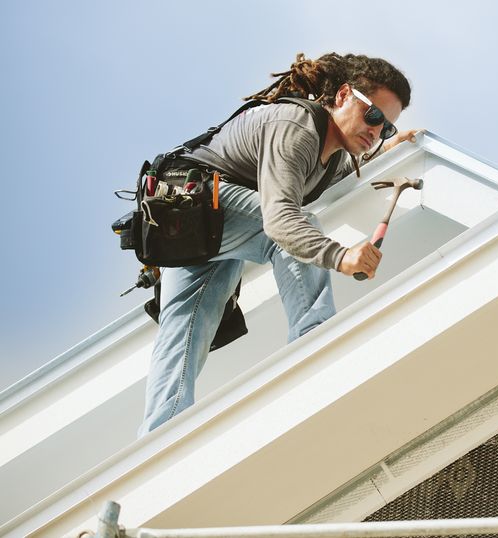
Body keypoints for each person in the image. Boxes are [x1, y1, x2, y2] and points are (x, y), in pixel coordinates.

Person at [139, 52, 417, 434]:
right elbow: (280, 219)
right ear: (342, 96)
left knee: (183, 331)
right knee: (296, 224)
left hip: (195, 229)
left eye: (385, 128)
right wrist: (340, 256)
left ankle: (159, 436)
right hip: (198, 204)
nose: (376, 131)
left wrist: (387, 150)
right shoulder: (297, 127)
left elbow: (322, 180)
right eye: (373, 117)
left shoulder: (334, 155)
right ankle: (314, 346)